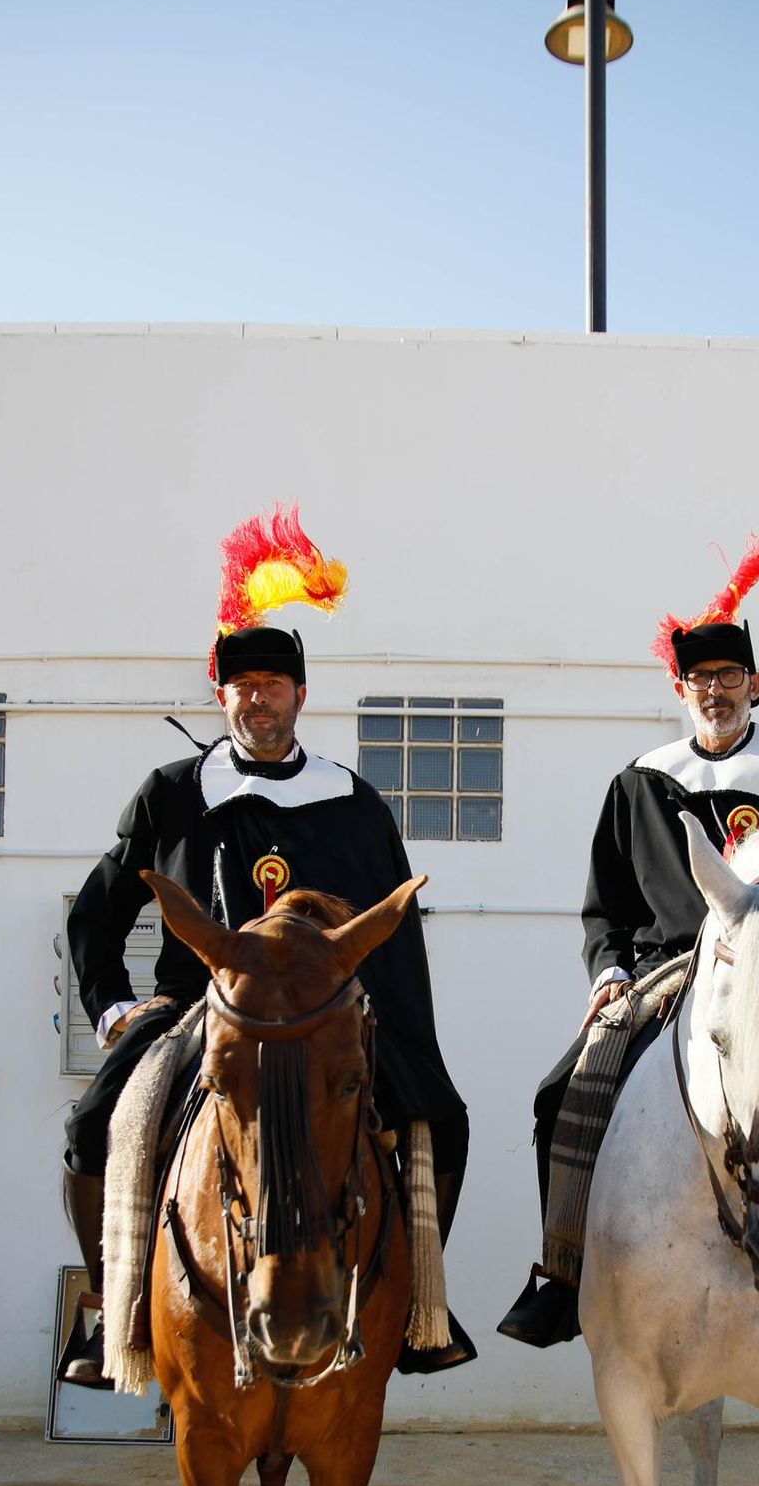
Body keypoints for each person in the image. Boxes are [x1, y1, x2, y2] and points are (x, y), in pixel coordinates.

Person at [60, 506, 472, 1384]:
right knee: (97, 1127)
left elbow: (393, 946)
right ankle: (115, 1312)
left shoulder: (354, 802)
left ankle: (415, 1311)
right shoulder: (172, 793)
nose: (257, 697)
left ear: (300, 694)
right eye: (240, 684)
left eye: (273, 684)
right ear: (222, 695)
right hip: (202, 1010)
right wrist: (113, 1004)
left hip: (329, 1016)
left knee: (442, 1120)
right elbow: (96, 914)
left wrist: (400, 1036)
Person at [497, 533, 759, 1365]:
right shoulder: (640, 783)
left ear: (755, 685)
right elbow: (605, 910)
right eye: (701, 681)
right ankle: (563, 1271)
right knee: (565, 1091)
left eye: (730, 678)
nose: (716, 693)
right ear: (681, 689)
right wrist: (611, 972)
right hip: (669, 975)